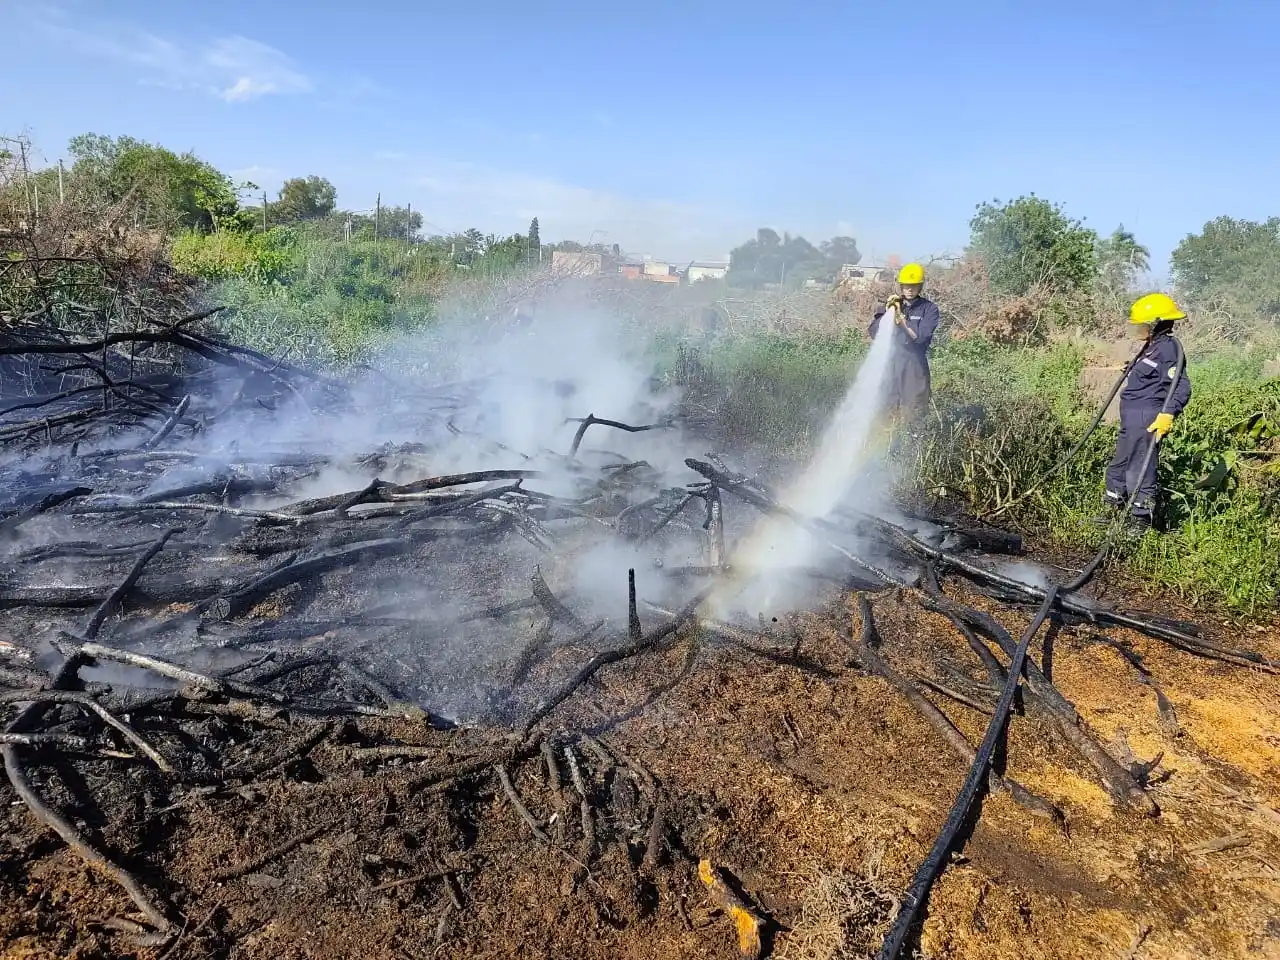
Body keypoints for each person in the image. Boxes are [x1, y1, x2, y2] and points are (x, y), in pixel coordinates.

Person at [1098, 292, 1192, 530]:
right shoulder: (1151, 347)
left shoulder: (1170, 349)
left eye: (1142, 325)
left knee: (1140, 468)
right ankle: (1112, 509)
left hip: (1147, 418)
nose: (1138, 330)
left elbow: (1181, 387)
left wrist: (1168, 414)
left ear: (1157, 323)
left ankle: (1140, 520)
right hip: (1131, 420)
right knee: (1120, 463)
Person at [868, 263, 941, 421]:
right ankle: (889, 445)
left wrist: (902, 322)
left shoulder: (929, 309)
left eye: (914, 286)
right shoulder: (893, 305)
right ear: (901, 286)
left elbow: (921, 338)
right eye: (906, 285)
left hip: (914, 368)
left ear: (920, 286)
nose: (910, 289)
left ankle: (913, 444)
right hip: (890, 366)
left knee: (914, 414)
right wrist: (888, 313)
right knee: (886, 412)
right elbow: (873, 332)